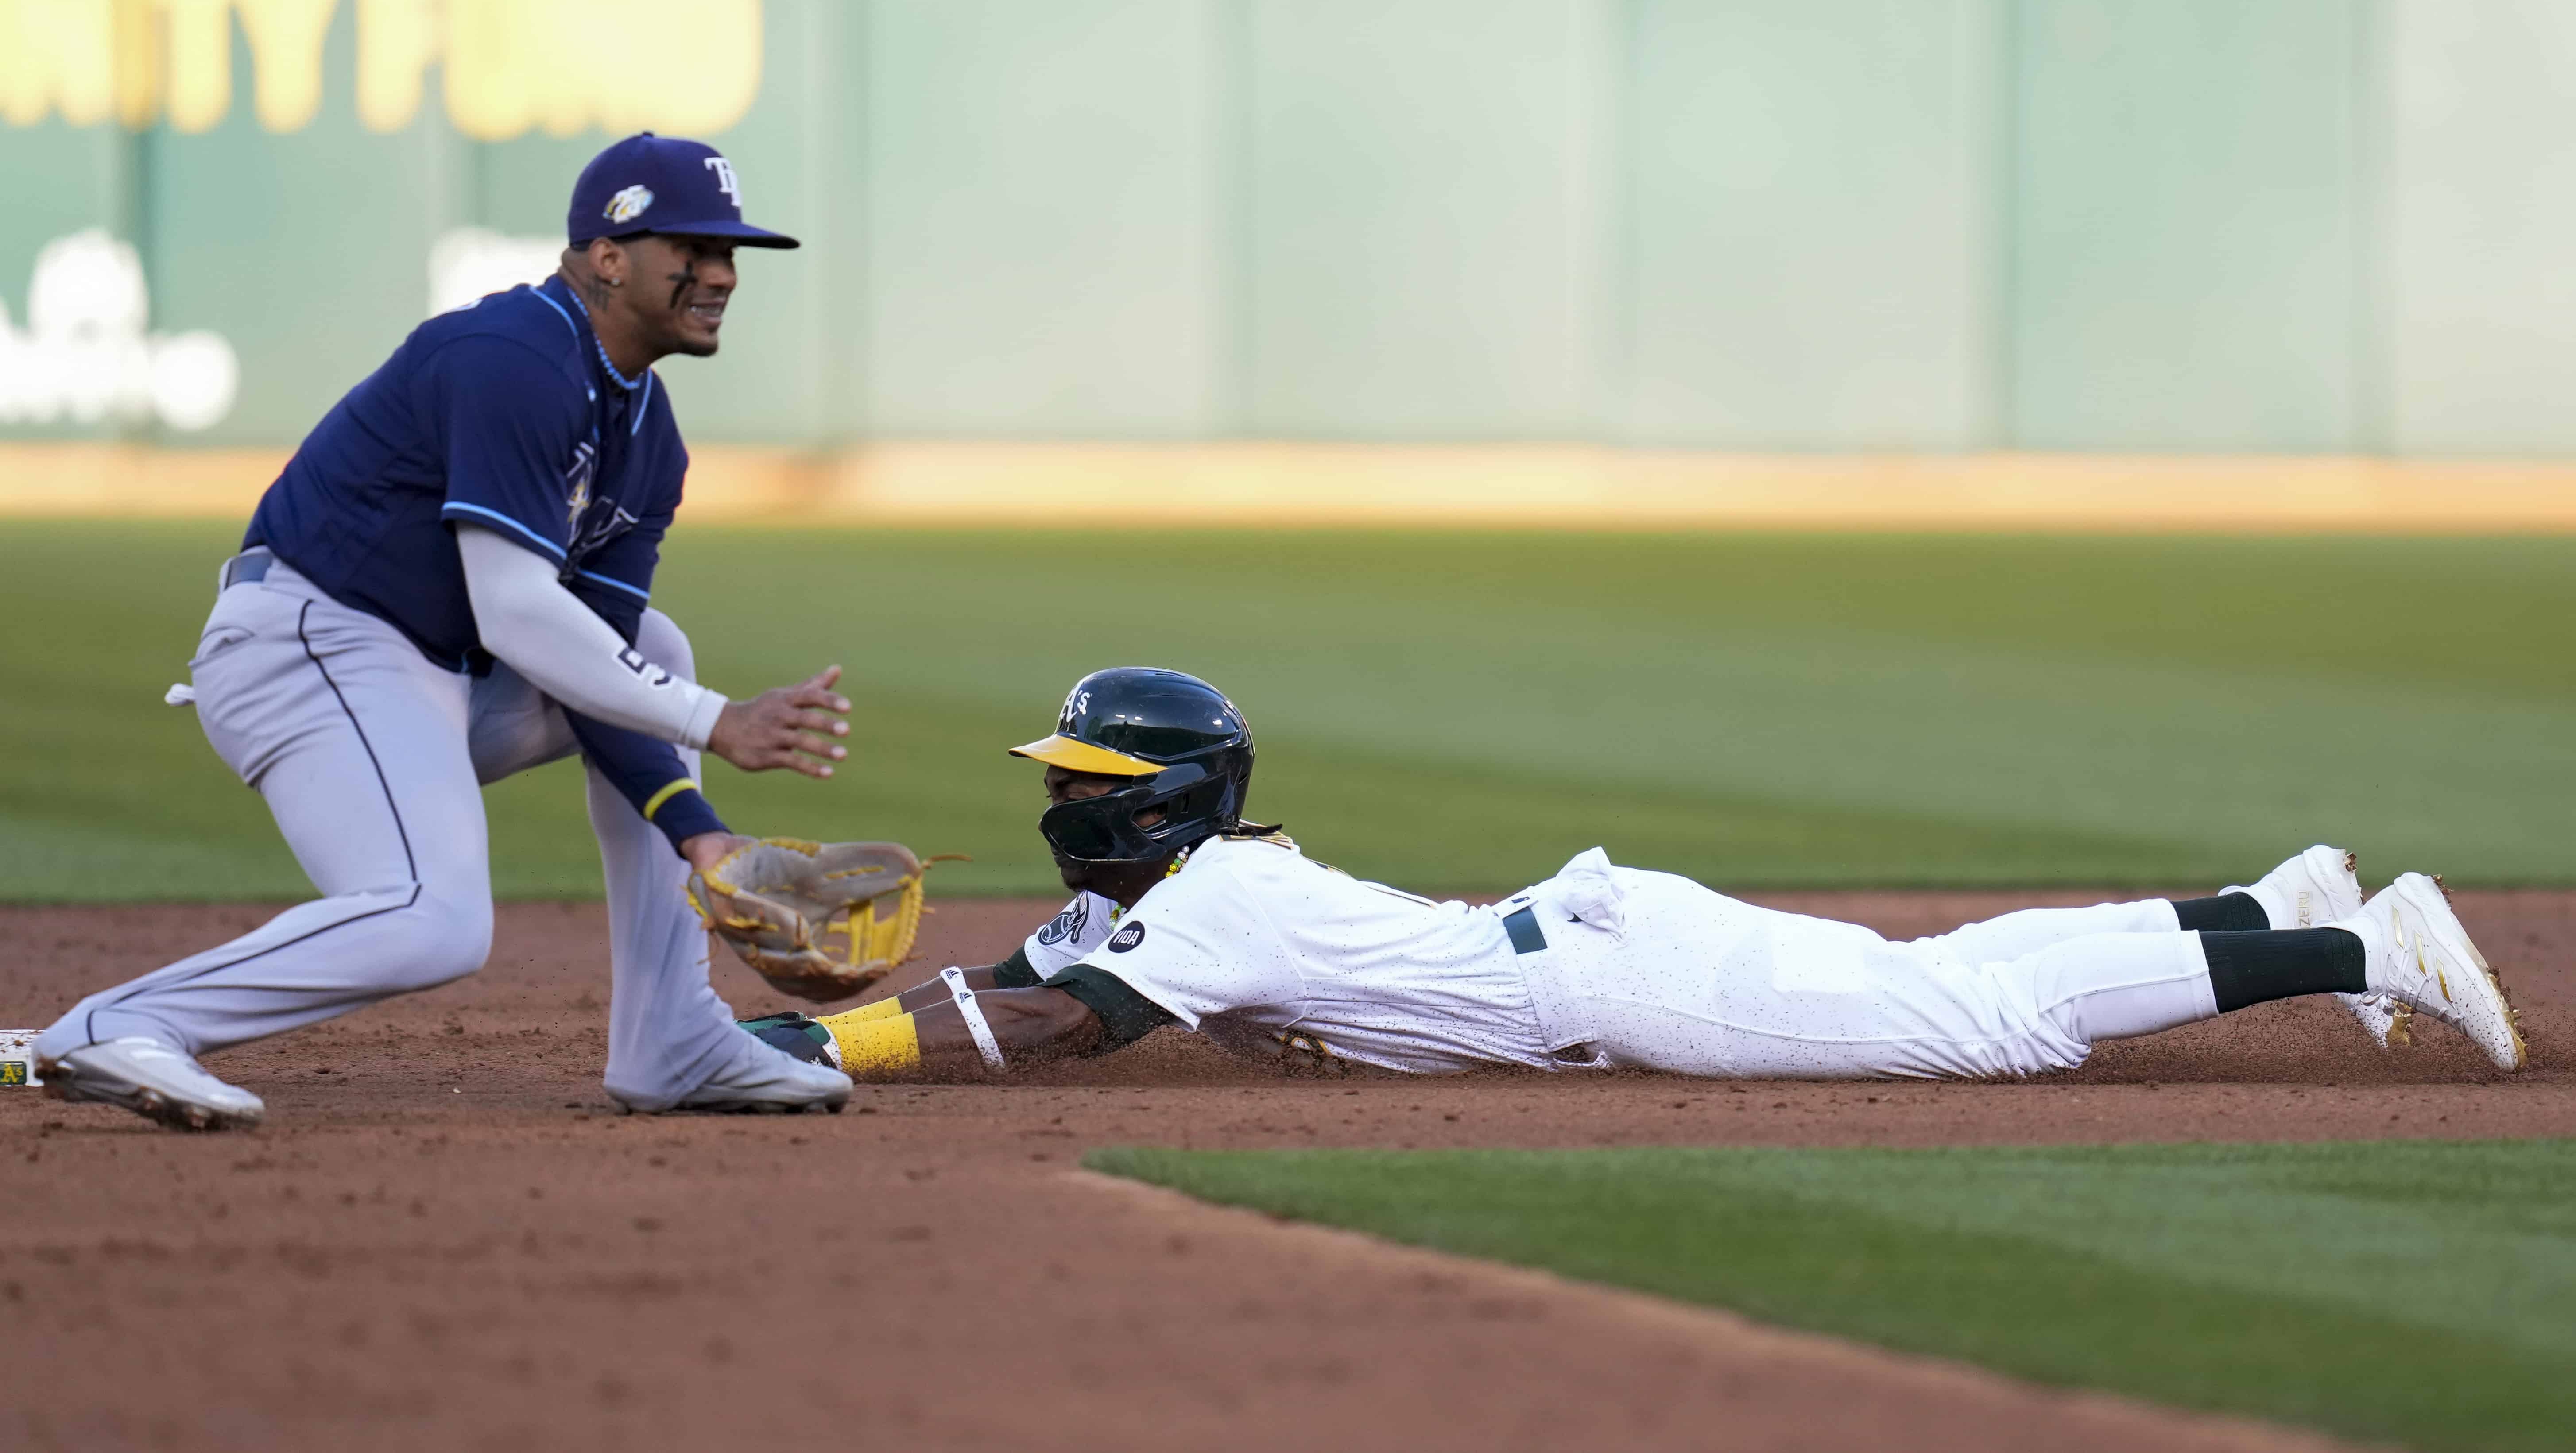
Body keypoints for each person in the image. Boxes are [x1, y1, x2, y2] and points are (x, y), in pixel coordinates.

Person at [39, 134, 859, 1129]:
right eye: (694, 247)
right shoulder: (513, 357)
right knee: (434, 918)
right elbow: (513, 607)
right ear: (608, 254)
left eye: (732, 254)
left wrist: (704, 839)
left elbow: (596, 661)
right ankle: (120, 1023)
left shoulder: (648, 436)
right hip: (307, 643)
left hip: (422, 675)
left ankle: (672, 1040)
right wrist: (715, 720)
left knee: (655, 645)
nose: (723, 275)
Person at [741, 667, 2527, 1084]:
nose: (1064, 802)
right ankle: (2262, 895)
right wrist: (809, 1000)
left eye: (1087, 779)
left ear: (1163, 799)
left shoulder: (1201, 903)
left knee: (1986, 1023)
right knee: (1964, 961)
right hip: (1602, 940)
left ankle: (2347, 940)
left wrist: (816, 1059)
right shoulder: (1161, 896)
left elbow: (1056, 1028)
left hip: (1617, 983)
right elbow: (1028, 979)